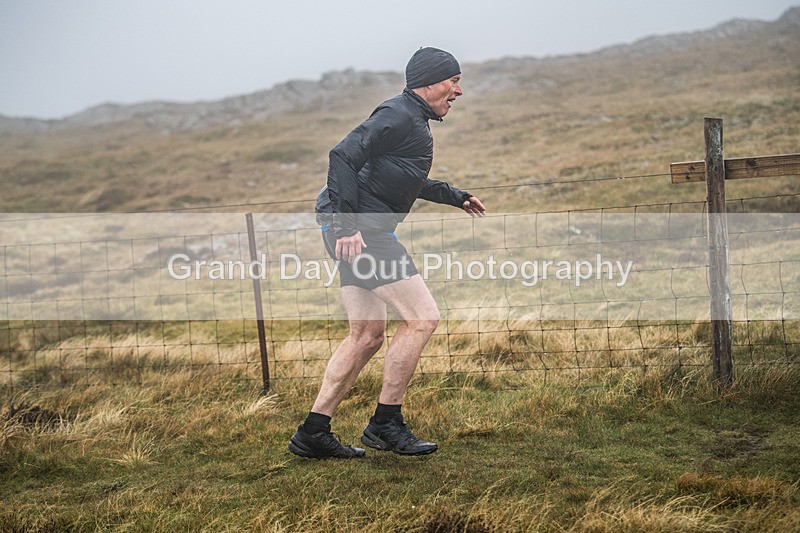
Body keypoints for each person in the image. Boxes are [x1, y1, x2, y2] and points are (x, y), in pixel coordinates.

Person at [288, 47, 486, 459]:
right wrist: (347, 226)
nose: (459, 91)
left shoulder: (410, 119)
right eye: (453, 81)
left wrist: (456, 196)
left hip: (353, 229)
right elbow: (342, 154)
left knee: (365, 337)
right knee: (422, 318)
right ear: (430, 82)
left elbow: (406, 176)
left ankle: (312, 432)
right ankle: (385, 423)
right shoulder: (398, 115)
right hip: (360, 231)